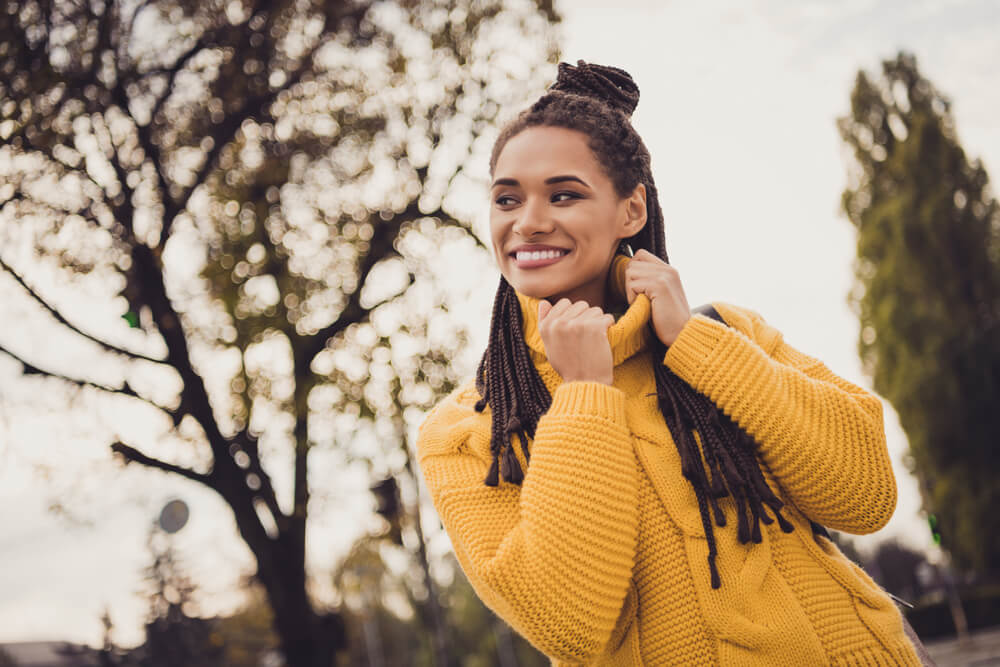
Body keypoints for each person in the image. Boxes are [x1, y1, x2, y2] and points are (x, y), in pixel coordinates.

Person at [415, 60, 927, 666]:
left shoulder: (728, 332)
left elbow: (865, 496)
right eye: (507, 198)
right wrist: (584, 392)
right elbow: (569, 623)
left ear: (631, 211)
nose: (528, 221)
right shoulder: (465, 431)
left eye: (563, 194)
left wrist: (692, 342)